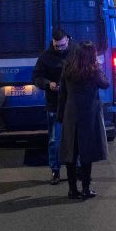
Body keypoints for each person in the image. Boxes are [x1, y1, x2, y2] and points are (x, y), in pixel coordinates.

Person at [58, 41, 110, 200]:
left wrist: (61, 115)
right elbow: (105, 84)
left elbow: (62, 94)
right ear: (92, 56)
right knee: (87, 153)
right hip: (89, 115)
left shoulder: (67, 69)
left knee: (71, 153)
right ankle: (86, 189)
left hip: (71, 114)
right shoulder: (94, 71)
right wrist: (99, 68)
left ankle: (72, 190)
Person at [32, 28, 75, 185]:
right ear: (53, 43)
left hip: (72, 104)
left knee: (74, 139)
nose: (60, 48)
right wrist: (48, 84)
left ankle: (75, 168)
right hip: (54, 104)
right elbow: (36, 77)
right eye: (57, 46)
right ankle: (55, 170)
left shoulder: (75, 52)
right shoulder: (45, 57)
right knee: (55, 140)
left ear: (67, 40)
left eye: (62, 45)